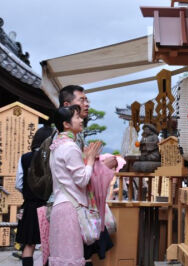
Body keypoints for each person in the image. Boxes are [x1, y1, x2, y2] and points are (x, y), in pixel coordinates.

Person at [59, 85, 117, 265]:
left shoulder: (73, 137)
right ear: (67, 105)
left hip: (77, 205)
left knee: (82, 255)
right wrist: (93, 162)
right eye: (82, 100)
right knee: (77, 256)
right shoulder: (66, 142)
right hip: (72, 206)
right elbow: (80, 177)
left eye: (87, 100)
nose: (86, 104)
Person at [48, 105, 102, 266]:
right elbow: (82, 179)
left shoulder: (56, 146)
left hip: (60, 206)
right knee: (71, 259)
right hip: (70, 209)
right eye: (77, 117)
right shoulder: (70, 147)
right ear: (66, 124)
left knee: (61, 258)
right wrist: (91, 159)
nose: (81, 120)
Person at [15, 125, 54, 266]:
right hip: (49, 206)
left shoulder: (25, 158)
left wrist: (29, 193)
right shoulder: (52, 157)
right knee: (49, 245)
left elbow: (18, 183)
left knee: (29, 244)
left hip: (30, 206)